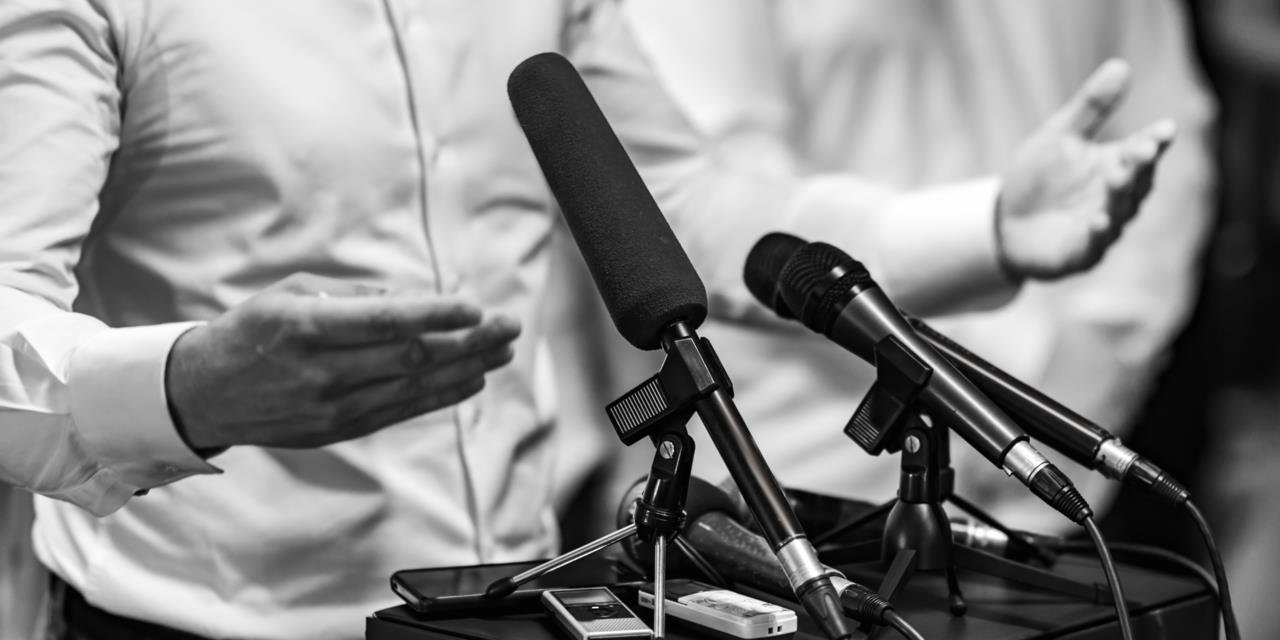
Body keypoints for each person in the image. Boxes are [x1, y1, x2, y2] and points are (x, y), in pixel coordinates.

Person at [0, 1, 1177, 637]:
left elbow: (680, 205)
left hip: (513, 608)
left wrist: (985, 226)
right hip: (202, 626)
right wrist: (185, 389)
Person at [553, 0, 1213, 539]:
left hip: (1057, 475)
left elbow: (1167, 139)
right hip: (792, 503)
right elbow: (707, 201)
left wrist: (1094, 362)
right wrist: (995, 273)